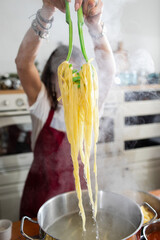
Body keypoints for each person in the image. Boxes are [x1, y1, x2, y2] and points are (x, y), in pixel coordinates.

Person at [15, 0, 116, 219]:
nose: (71, 82)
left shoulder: (90, 106)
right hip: (40, 203)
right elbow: (23, 63)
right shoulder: (43, 105)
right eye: (64, 75)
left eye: (79, 72)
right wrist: (47, 10)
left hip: (79, 203)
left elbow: (108, 69)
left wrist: (94, 26)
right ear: (51, 79)